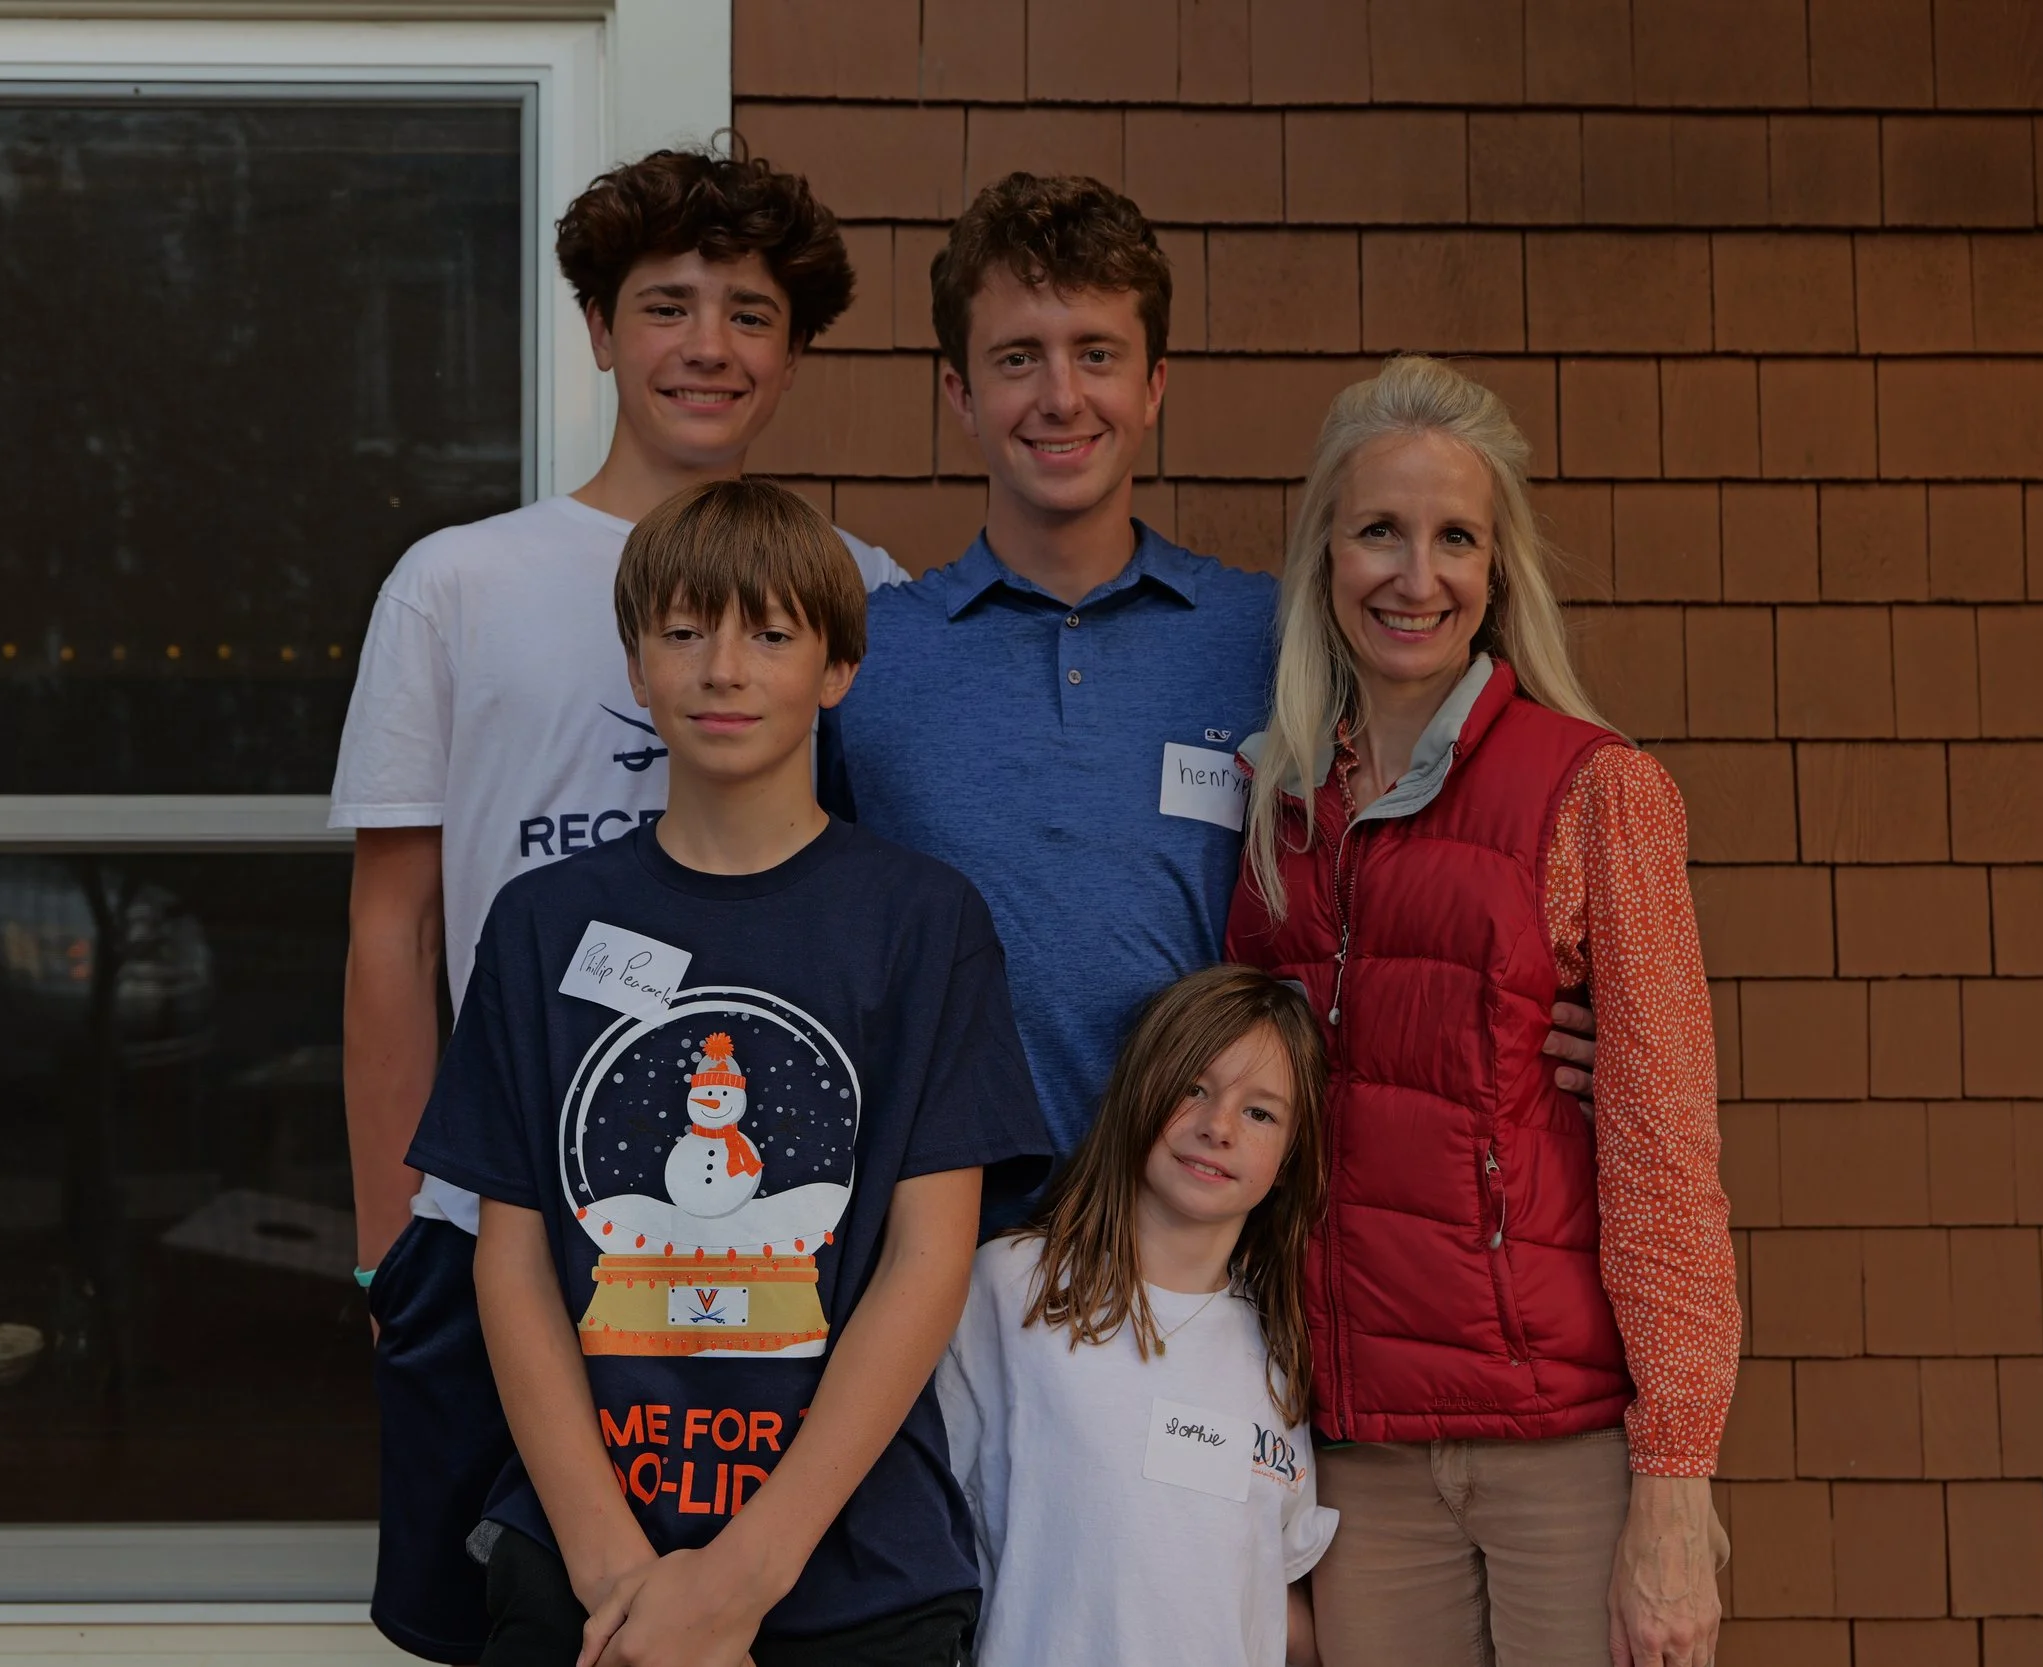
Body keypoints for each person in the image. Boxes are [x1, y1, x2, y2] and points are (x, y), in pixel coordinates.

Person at [331, 148, 906, 1663]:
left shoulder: (859, 587)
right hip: (493, 1221)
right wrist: (395, 1234)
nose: (707, 345)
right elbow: (392, 928)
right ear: (596, 328)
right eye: (665, 306)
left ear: (792, 352)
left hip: (754, 1258)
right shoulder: (458, 581)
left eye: (750, 313)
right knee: (515, 1617)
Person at [826, 174, 1595, 1207]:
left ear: (1153, 386)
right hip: (950, 1260)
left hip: (1218, 1257)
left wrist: (1564, 1013)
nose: (1061, 396)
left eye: (1097, 354)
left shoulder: (1281, 637)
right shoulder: (867, 660)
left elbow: (1441, 847)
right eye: (1018, 359)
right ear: (959, 393)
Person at [405, 478, 1052, 1667]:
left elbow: (927, 1254)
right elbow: (512, 1257)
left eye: (770, 632)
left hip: (852, 1556)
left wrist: (744, 1575)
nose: (723, 668)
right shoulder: (544, 923)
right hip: (587, 1561)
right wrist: (617, 1574)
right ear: (638, 664)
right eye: (685, 630)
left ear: (837, 668)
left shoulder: (920, 922)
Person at [1225, 355, 1740, 1667]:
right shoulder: (1282, 809)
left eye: (1457, 536)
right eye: (1379, 531)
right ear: (1324, 554)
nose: (1416, 573)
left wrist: (1676, 1477)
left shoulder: (1595, 792)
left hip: (1558, 1443)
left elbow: (1663, 1146)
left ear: (1500, 567)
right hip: (1363, 1454)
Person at [938, 965, 1337, 1667]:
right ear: (1138, 1088)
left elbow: (1272, 1596)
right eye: (1193, 1087)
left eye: (1260, 1112)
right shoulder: (1012, 1287)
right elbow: (928, 1531)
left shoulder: (1281, 1346)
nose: (1217, 1127)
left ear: (1292, 1151)